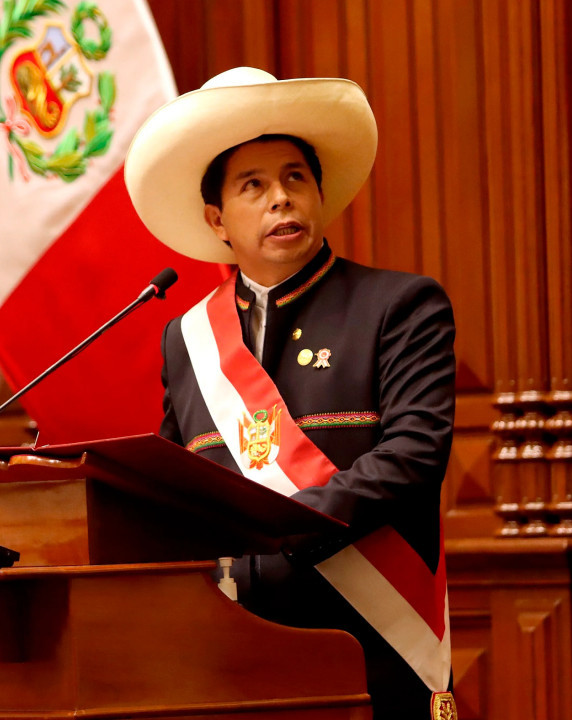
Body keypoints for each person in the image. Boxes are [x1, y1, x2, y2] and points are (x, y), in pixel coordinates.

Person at [124, 67, 457, 719]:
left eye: (294, 178)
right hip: (230, 652)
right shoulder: (187, 340)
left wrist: (282, 530)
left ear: (319, 195)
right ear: (217, 220)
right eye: (255, 185)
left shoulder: (400, 306)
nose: (281, 198)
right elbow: (174, 490)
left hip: (369, 643)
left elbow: (414, 455)